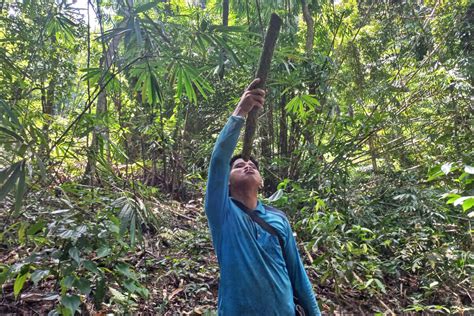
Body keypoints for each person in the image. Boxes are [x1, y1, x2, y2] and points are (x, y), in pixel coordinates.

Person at [205, 78, 321, 315]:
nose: (247, 166)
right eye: (238, 166)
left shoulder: (278, 219)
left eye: (252, 166)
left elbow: (297, 274)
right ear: (226, 181)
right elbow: (218, 161)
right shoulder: (222, 213)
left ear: (261, 182)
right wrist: (241, 110)